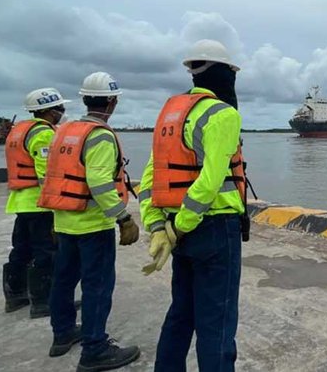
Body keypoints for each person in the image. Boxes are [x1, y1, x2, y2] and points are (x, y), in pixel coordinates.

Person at [139, 39, 248, 372]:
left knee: (181, 314)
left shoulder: (171, 114)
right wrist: (179, 226)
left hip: (177, 228)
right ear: (225, 74)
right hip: (213, 229)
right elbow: (210, 182)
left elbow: (150, 179)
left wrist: (158, 226)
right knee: (217, 323)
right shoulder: (223, 114)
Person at [38, 72, 141, 370]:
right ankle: (95, 349)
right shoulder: (100, 135)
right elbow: (99, 182)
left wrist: (54, 217)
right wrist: (123, 217)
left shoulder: (64, 132)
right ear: (112, 102)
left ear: (84, 99)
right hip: (93, 225)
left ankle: (62, 334)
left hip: (64, 221)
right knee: (97, 286)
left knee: (64, 280)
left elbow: (51, 176)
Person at [3, 88, 69, 318]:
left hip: (21, 201)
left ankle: (16, 295)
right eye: (60, 108)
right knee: (46, 251)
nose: (62, 112)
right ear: (50, 111)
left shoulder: (19, 131)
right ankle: (43, 301)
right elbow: (46, 174)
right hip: (39, 204)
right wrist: (56, 204)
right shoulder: (43, 134)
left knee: (21, 249)